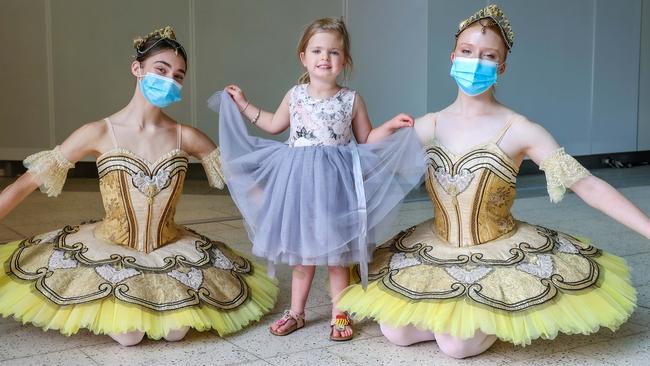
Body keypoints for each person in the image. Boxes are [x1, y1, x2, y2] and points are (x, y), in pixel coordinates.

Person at [337, 4, 649, 358]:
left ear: (501, 67)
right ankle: (456, 316)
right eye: (467, 52)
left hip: (497, 247)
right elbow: (371, 167)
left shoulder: (519, 129)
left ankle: (495, 316)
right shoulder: (429, 125)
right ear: (453, 57)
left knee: (456, 345)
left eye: (488, 56)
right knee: (396, 331)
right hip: (437, 244)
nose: (475, 63)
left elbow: (589, 185)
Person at [0, 26, 277, 346]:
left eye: (178, 75)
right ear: (137, 68)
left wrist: (298, 220)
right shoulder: (97, 132)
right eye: (161, 70)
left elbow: (245, 185)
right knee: (129, 334)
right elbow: (24, 185)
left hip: (170, 246)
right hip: (110, 246)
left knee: (176, 331)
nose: (170, 80)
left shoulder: (187, 136)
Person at [211, 17, 425, 341]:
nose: (325, 58)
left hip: (336, 185)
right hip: (298, 184)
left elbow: (366, 138)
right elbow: (272, 124)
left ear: (345, 61)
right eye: (317, 51)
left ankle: (340, 312)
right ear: (304, 57)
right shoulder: (295, 96)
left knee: (337, 258)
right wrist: (243, 105)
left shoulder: (351, 99)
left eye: (334, 53)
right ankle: (297, 312)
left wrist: (392, 126)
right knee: (302, 256)